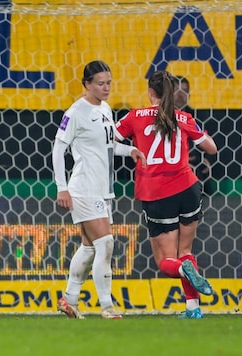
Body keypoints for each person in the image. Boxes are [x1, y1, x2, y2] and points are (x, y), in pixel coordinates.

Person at [115, 70, 218, 319]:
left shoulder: (135, 117)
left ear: (151, 93)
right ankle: (193, 309)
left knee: (167, 262)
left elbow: (110, 140)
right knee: (186, 251)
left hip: (157, 193)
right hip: (189, 189)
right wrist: (192, 133)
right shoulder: (184, 118)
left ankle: (184, 271)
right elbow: (211, 148)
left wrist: (131, 149)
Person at [52, 60, 146, 320]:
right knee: (105, 243)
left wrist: (130, 151)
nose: (106, 88)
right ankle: (107, 307)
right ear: (87, 84)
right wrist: (62, 188)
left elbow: (109, 144)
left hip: (104, 189)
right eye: (101, 83)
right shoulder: (76, 112)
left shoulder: (105, 108)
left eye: (109, 83)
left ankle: (69, 300)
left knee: (91, 248)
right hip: (83, 188)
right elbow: (59, 149)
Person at [173, 76, 215, 195]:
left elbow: (210, 142)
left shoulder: (198, 118)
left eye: (184, 91)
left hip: (197, 169)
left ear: (189, 95)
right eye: (177, 90)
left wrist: (208, 160)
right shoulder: (160, 117)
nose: (180, 95)